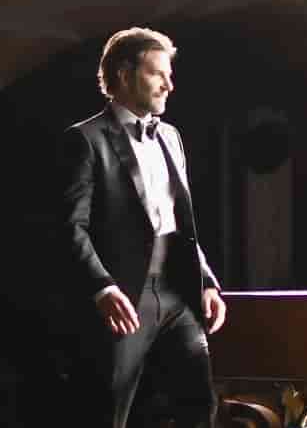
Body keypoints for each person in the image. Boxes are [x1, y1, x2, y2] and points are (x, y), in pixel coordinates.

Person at [57, 26, 226, 428]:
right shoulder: (84, 139)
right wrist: (102, 287)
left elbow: (180, 223)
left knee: (200, 407)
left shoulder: (171, 136)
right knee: (108, 414)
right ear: (123, 74)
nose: (169, 85)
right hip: (125, 298)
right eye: (157, 74)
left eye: (170, 74)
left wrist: (205, 280)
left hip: (177, 294)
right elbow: (70, 227)